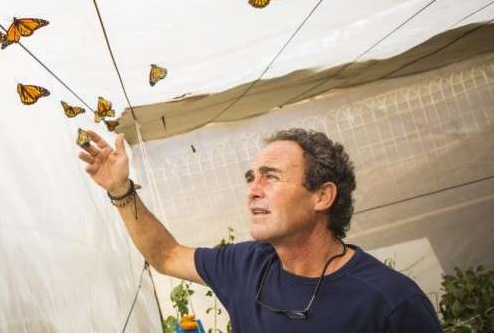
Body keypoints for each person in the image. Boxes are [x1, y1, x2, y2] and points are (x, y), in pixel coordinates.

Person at [78, 128, 442, 332]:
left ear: (322, 195)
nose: (252, 189)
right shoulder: (246, 265)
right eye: (251, 178)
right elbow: (166, 255)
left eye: (271, 177)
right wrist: (120, 190)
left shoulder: (390, 302)